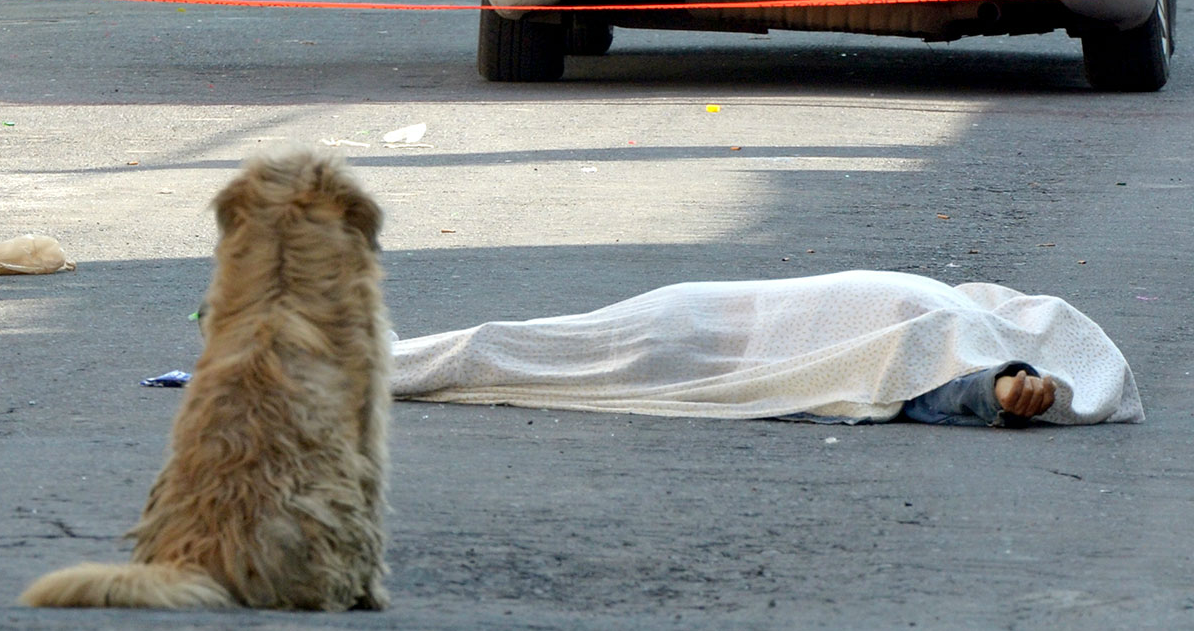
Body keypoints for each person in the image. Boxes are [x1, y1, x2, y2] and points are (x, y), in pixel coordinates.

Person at [388, 270, 1142, 427]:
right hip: (711, 330)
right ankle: (376, 363)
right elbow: (926, 388)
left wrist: (996, 387)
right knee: (529, 352)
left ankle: (377, 359)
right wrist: (996, 389)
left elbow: (917, 385)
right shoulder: (956, 319)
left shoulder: (953, 308)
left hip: (715, 323)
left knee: (533, 351)